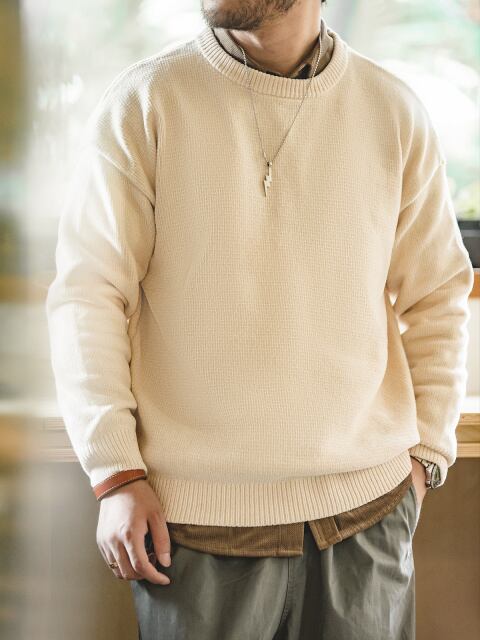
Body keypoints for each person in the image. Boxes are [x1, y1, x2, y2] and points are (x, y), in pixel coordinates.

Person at [45, 1, 475, 638]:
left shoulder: (392, 110)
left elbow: (438, 293)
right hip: (193, 528)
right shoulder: (145, 102)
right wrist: (115, 473)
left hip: (368, 518)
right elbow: (88, 295)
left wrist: (425, 457)